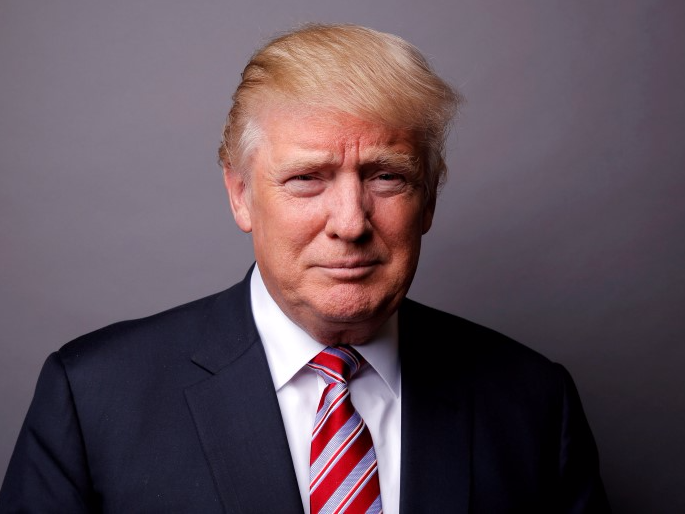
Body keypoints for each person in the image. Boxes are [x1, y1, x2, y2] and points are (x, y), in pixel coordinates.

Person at [0, 23, 611, 513]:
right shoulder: (94, 396)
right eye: (306, 179)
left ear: (429, 199)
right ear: (240, 195)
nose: (350, 221)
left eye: (387, 177)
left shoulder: (533, 401)